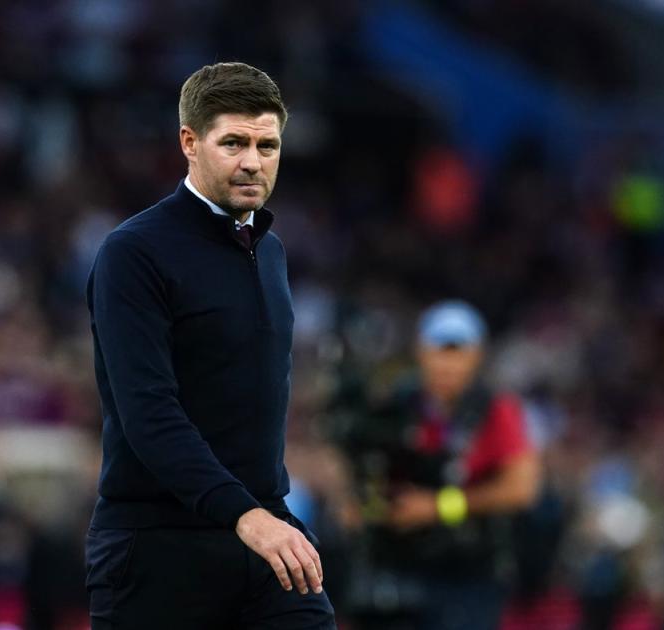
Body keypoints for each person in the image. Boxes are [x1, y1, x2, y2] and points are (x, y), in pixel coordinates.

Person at [84, 62, 335, 629]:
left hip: (265, 537)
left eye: (268, 145)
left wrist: (263, 514)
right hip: (156, 549)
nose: (253, 161)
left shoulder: (271, 253)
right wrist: (244, 513)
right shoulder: (134, 253)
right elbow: (148, 414)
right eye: (234, 143)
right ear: (189, 142)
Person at [336, 300, 541, 630]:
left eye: (458, 351)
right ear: (421, 351)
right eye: (439, 350)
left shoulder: (495, 409)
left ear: (477, 356)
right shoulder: (399, 404)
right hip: (400, 567)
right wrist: (364, 504)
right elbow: (365, 462)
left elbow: (522, 489)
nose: (447, 363)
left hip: (469, 573)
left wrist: (438, 507)